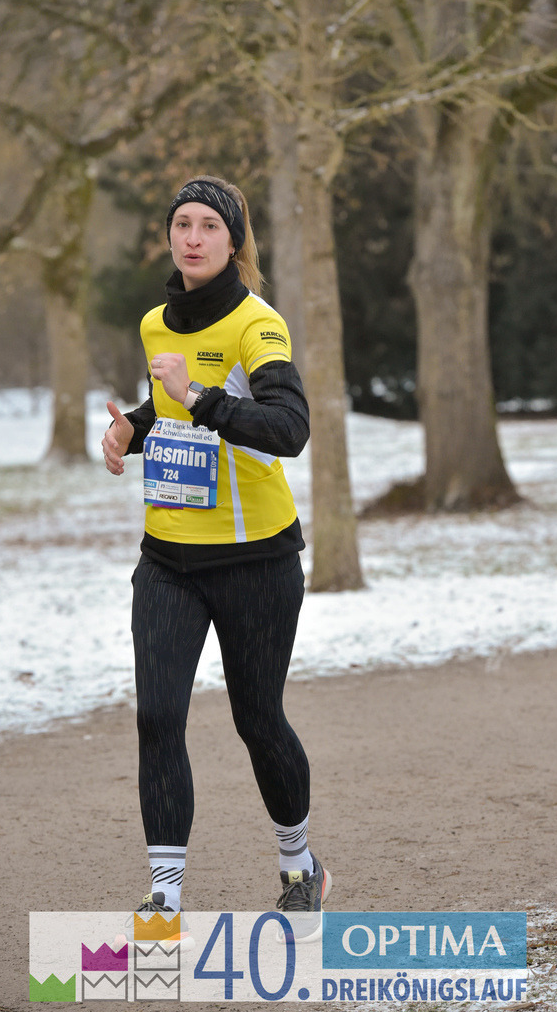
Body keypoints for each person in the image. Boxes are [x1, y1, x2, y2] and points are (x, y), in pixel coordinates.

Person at [101, 174, 331, 935]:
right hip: (168, 558)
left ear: (234, 241)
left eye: (208, 225)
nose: (193, 237)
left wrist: (201, 397)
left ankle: (299, 866)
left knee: (257, 719)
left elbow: (288, 428)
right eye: (182, 224)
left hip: (255, 560)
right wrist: (132, 430)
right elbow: (171, 410)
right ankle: (164, 898)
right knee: (158, 717)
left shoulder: (257, 323)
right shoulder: (155, 324)